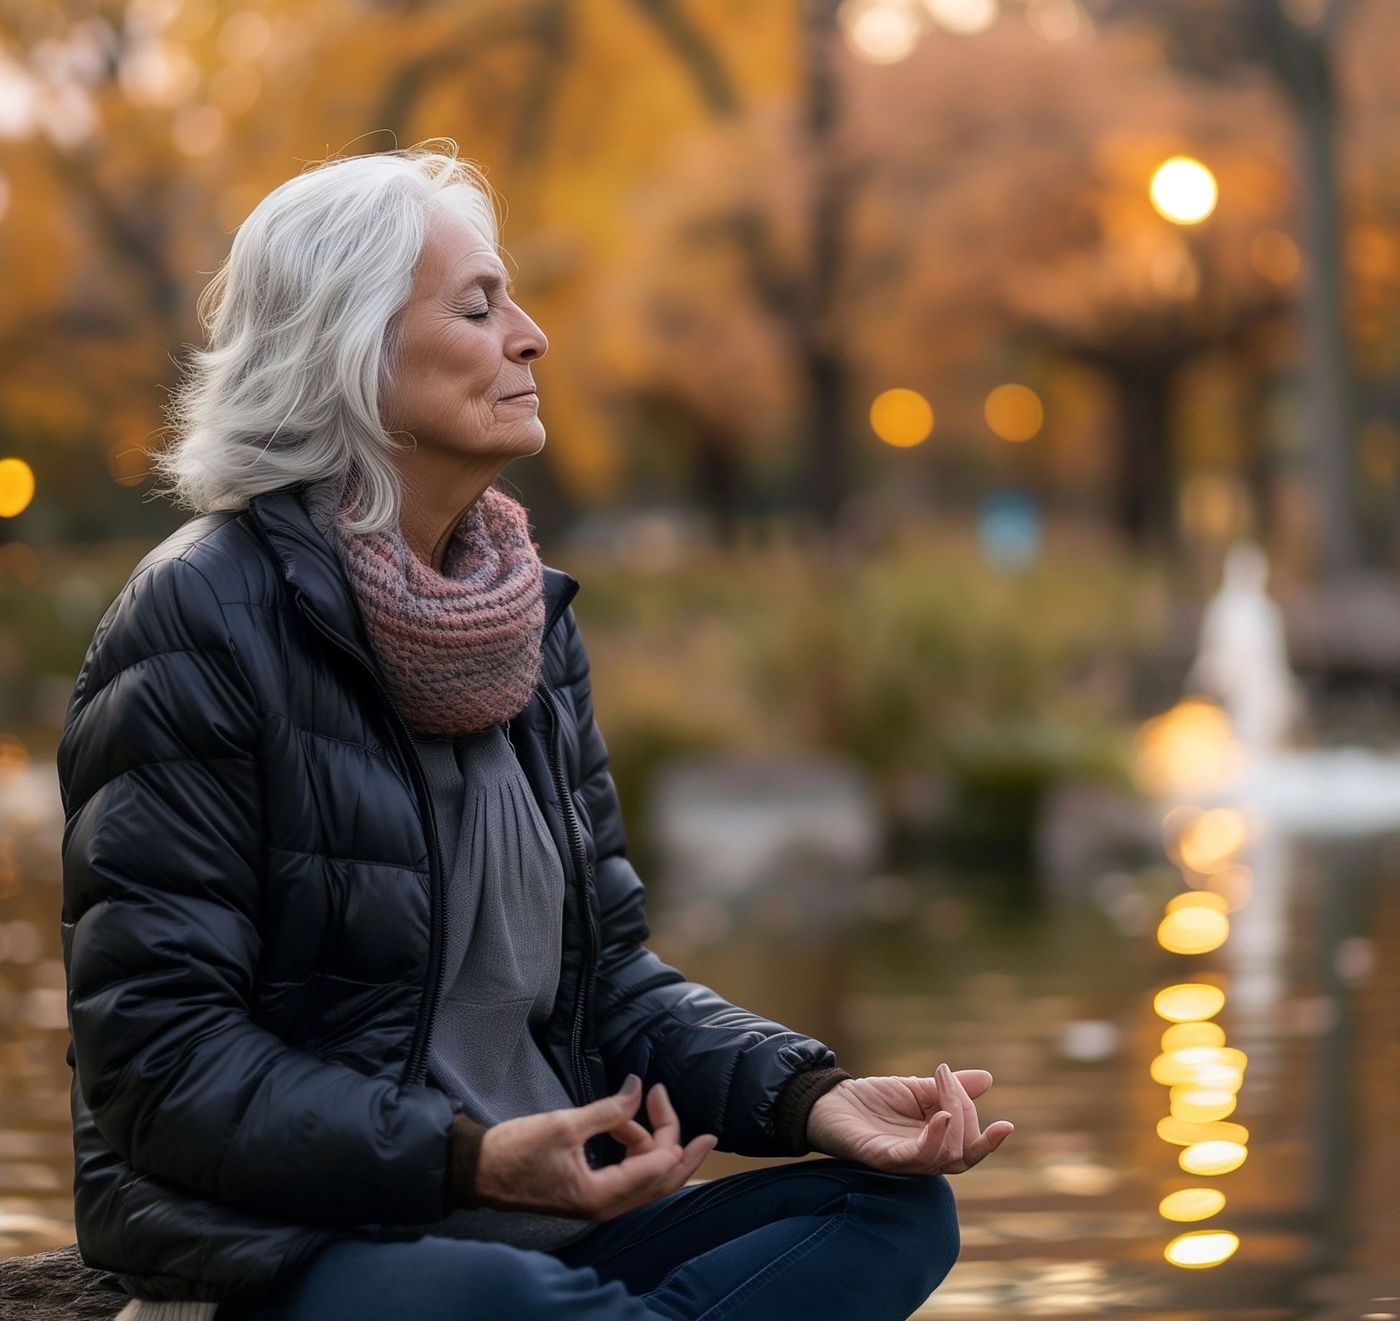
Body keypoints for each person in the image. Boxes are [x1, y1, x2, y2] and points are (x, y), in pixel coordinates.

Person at [58, 144, 1013, 1321]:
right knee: (503, 1296)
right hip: (291, 1249)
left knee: (894, 1206)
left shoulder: (524, 620)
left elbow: (608, 982)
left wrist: (807, 1093)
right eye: (477, 304)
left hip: (542, 1237)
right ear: (348, 350)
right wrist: (466, 1157)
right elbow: (159, 1062)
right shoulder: (199, 617)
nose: (530, 334)